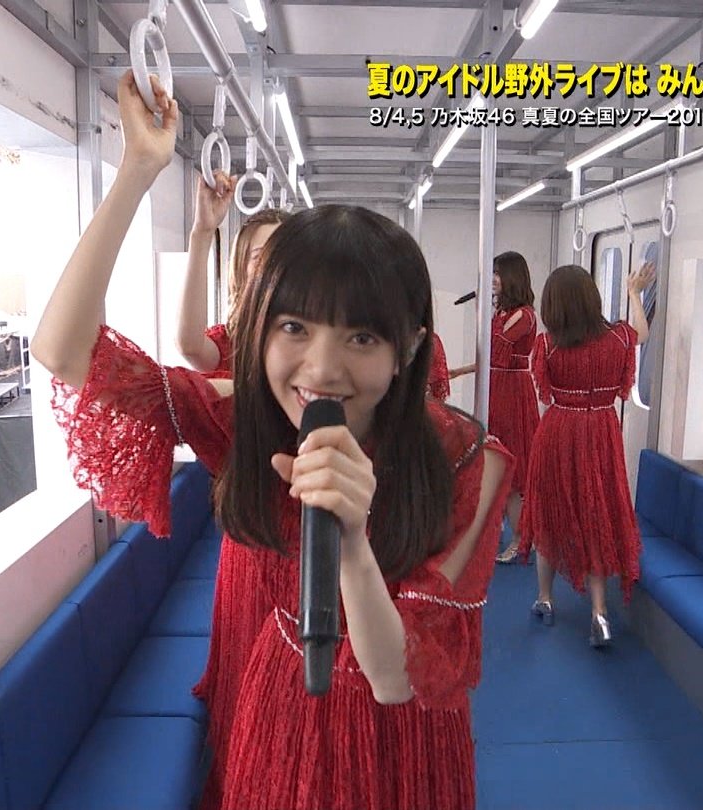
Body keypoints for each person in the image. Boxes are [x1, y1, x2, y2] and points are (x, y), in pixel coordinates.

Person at [33, 72, 512, 810]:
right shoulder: (248, 419)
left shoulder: (465, 459)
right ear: (259, 330)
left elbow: (396, 678)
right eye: (294, 327)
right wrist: (136, 170)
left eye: (360, 336)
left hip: (405, 740)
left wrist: (351, 542)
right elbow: (65, 351)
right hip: (282, 704)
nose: (321, 368)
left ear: (411, 347)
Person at [518, 263, 653, 646]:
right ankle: (599, 612)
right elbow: (642, 332)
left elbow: (544, 391)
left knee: (549, 514)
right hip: (602, 432)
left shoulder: (548, 345)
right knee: (596, 514)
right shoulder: (619, 338)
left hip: (559, 430)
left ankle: (545, 598)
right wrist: (634, 292)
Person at [448, 251, 541, 564]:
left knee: (510, 470)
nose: (493, 280)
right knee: (490, 463)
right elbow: (490, 358)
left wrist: (481, 311)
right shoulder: (503, 313)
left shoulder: (524, 316)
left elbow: (497, 351)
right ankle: (496, 530)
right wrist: (460, 371)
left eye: (498, 274)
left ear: (512, 277)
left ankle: (521, 539)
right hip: (497, 388)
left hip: (512, 395)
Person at [176, 175, 288, 378]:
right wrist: (202, 232)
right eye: (260, 257)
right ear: (241, 268)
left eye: (284, 255)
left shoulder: (316, 332)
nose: (275, 266)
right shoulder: (233, 343)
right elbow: (190, 346)